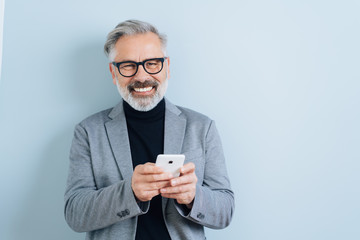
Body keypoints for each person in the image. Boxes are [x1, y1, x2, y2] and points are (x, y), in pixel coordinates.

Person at [64, 19, 234, 240]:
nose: (142, 76)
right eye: (128, 66)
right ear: (113, 72)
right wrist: (130, 193)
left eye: (152, 63)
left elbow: (226, 211)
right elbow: (75, 214)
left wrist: (193, 196)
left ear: (167, 67)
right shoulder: (88, 131)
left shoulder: (202, 127)